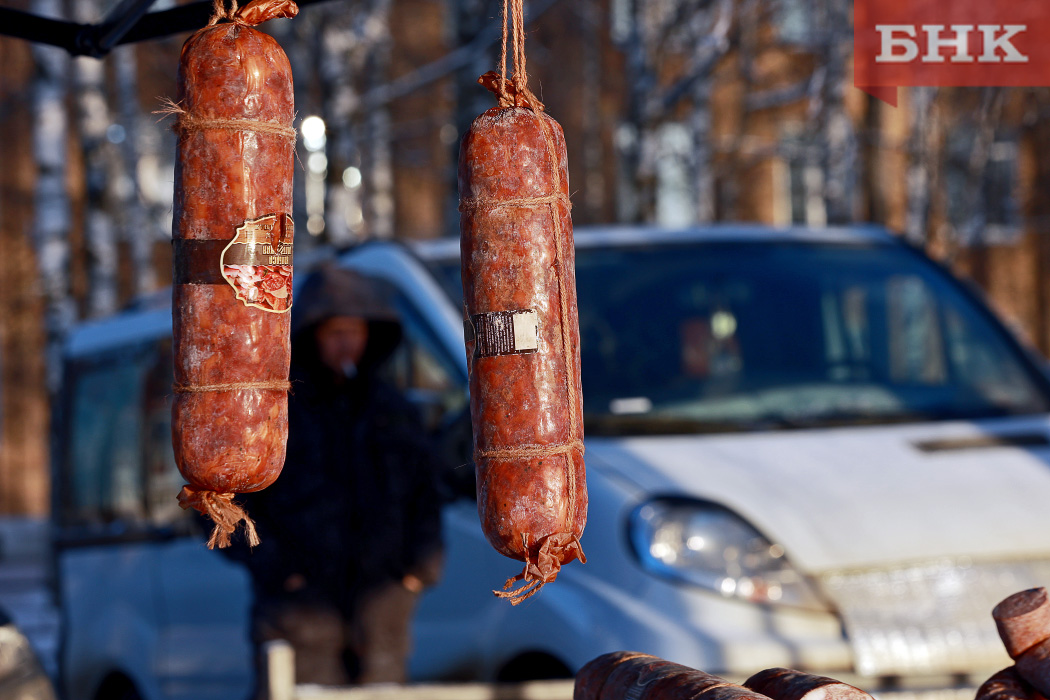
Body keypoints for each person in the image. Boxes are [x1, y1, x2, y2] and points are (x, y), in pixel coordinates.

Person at [230, 263, 446, 688]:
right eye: (334, 331)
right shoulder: (271, 414)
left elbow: (427, 492)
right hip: (298, 612)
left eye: (356, 330)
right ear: (311, 336)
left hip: (381, 609)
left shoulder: (394, 410)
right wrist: (278, 569)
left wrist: (418, 571)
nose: (347, 342)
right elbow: (222, 504)